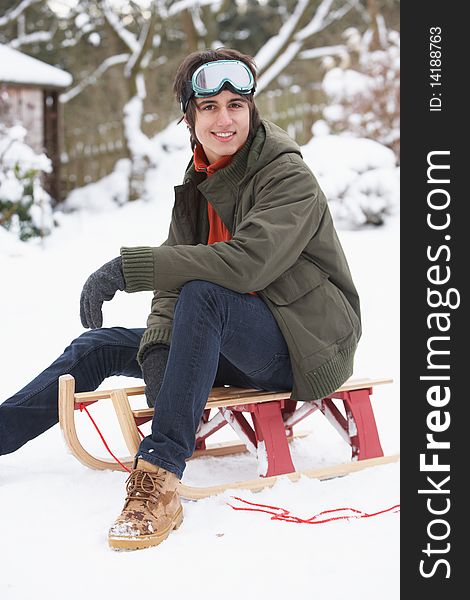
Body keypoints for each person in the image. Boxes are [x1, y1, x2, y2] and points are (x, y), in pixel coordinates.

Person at [0, 48, 361, 550]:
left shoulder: (286, 175)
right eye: (209, 106)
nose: (224, 118)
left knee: (206, 293)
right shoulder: (198, 182)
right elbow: (176, 282)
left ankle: (159, 478)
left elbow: (245, 265)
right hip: (228, 336)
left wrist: (131, 268)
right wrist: (160, 349)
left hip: (302, 342)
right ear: (189, 117)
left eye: (237, 103)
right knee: (97, 346)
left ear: (253, 109)